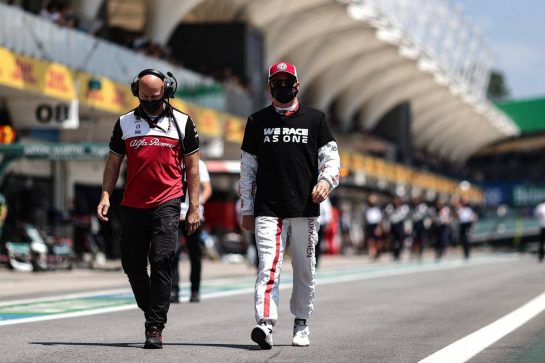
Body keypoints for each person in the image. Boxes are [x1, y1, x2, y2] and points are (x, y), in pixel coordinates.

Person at [97, 69, 201, 349]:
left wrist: (194, 207)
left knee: (162, 258)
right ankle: (151, 306)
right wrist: (105, 194)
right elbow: (113, 163)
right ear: (136, 93)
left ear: (167, 91)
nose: (150, 102)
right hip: (133, 204)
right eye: (144, 97)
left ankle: (154, 325)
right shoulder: (125, 123)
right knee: (131, 263)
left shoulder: (183, 122)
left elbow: (192, 169)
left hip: (168, 202)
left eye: (155, 97)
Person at [239, 61, 340, 349]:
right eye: (277, 82)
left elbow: (332, 159)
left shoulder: (316, 119)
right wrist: (246, 207)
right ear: (270, 87)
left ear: (297, 85)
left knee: (304, 267)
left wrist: (326, 182)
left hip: (305, 208)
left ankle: (301, 323)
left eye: (288, 82)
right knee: (268, 267)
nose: (283, 87)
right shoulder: (256, 121)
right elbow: (247, 168)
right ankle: (265, 324)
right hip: (268, 209)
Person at [171, 159, 212, 303]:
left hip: (194, 214)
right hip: (175, 215)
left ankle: (195, 289)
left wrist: (197, 202)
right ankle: (173, 290)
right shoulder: (172, 159)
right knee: (173, 252)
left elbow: (207, 188)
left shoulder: (199, 164)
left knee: (195, 253)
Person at [364, 194, 383, 260]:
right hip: (369, 225)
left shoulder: (378, 209)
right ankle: (372, 253)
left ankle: (378, 252)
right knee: (370, 240)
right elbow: (366, 218)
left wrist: (379, 227)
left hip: (376, 225)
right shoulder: (367, 209)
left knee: (378, 241)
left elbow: (380, 219)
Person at [316, 197, 332, 268]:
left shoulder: (323, 196)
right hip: (315, 223)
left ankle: (316, 261)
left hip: (319, 223)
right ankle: (314, 261)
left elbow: (327, 210)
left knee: (317, 243)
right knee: (316, 244)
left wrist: (327, 222)